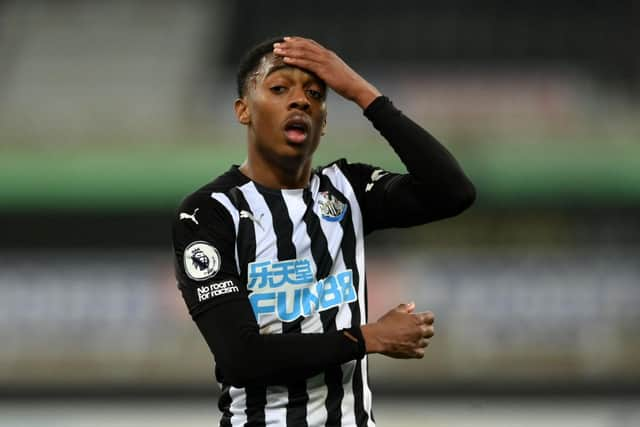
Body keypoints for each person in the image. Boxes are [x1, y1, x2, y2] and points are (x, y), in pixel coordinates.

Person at [172, 36, 475, 427]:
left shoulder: (348, 190)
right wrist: (370, 338)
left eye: (315, 94)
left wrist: (361, 93)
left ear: (324, 122)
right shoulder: (209, 213)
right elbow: (241, 358)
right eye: (279, 88)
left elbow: (454, 192)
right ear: (243, 111)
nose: (300, 101)